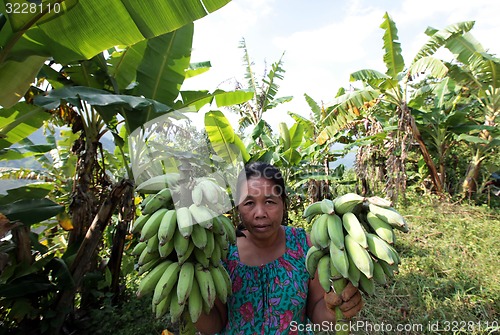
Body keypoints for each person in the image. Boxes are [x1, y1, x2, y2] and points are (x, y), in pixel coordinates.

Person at [195, 162, 363, 334]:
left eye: (269, 201)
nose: (260, 213)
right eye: (249, 203)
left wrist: (333, 309)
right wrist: (188, 298)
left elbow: (316, 311)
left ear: (283, 203)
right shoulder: (222, 253)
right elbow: (215, 325)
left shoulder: (304, 246)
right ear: (238, 207)